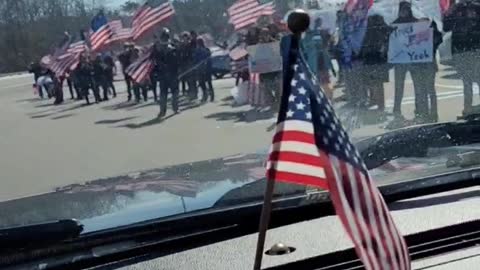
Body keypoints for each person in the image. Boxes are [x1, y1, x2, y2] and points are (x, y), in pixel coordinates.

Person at [389, 1, 442, 127]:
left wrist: (430, 43)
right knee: (401, 88)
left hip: (420, 62)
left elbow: (437, 39)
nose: (404, 12)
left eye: (406, 9)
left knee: (424, 89)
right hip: (403, 62)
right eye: (402, 9)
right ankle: (401, 112)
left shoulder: (423, 24)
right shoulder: (396, 25)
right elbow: (390, 40)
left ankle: (428, 114)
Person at [443, 1, 480, 115]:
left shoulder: (477, 7)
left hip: (476, 49)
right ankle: (467, 108)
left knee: (478, 79)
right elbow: (446, 27)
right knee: (466, 81)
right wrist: (448, 13)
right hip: (460, 51)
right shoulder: (457, 8)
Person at [357, 14, 394, 116]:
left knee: (375, 84)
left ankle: (380, 105)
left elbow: (363, 46)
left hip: (373, 61)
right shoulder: (379, 31)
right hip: (377, 61)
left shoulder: (372, 31)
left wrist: (359, 56)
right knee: (376, 84)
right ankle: (378, 104)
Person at [152, 28, 180, 118]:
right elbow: (155, 62)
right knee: (165, 94)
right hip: (164, 75)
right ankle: (164, 111)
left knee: (173, 93)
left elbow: (176, 62)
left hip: (170, 74)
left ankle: (172, 109)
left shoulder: (172, 49)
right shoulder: (158, 49)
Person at [195, 38, 214, 102]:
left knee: (208, 82)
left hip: (207, 69)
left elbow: (209, 58)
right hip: (200, 69)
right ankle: (205, 95)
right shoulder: (197, 51)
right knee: (202, 83)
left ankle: (211, 96)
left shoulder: (206, 50)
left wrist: (206, 63)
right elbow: (196, 59)